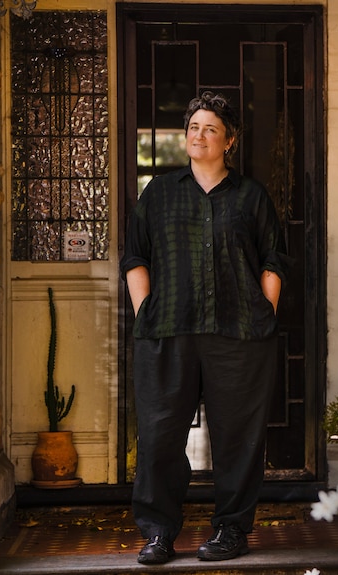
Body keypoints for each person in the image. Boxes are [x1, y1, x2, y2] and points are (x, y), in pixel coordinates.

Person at [120, 91, 290, 565]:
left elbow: (273, 258)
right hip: (167, 331)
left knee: (238, 436)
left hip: (238, 334)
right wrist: (144, 310)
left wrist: (266, 309)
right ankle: (158, 532)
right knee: (158, 434)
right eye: (194, 127)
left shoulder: (250, 196)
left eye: (210, 128)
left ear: (228, 140)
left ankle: (231, 531)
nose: (200, 135)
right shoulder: (159, 193)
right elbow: (135, 254)